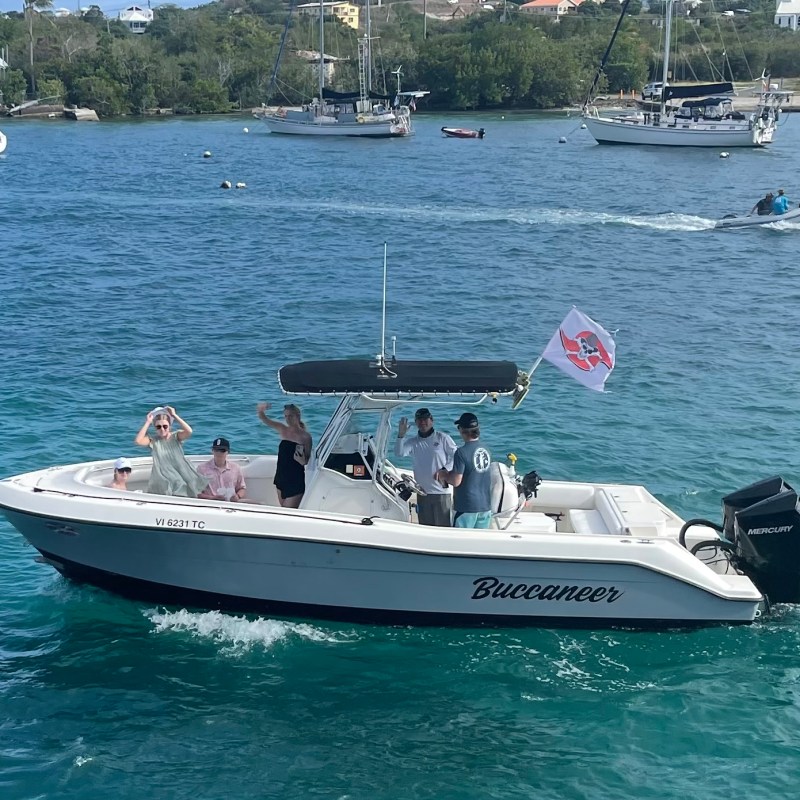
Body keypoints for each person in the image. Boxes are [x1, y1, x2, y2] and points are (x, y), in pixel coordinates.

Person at [394, 407, 458, 526]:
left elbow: (456, 456)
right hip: (422, 492)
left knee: (443, 529)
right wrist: (401, 436)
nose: (423, 422)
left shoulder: (442, 438)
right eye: (419, 420)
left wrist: (445, 469)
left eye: (425, 419)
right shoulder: (413, 442)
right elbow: (399, 453)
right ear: (416, 422)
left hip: (441, 493)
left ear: (431, 420)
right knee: (425, 527)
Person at [434, 412, 493, 529]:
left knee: (461, 541)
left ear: (462, 430)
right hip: (485, 506)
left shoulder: (461, 452)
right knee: (479, 542)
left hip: (466, 507)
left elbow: (456, 481)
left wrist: (444, 475)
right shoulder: (486, 449)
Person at [134, 405, 208, 497]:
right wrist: (148, 422)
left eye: (165, 426)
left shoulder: (176, 437)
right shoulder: (153, 440)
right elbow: (138, 441)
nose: (162, 429)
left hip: (181, 471)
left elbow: (189, 431)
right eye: (158, 427)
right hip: (163, 475)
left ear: (169, 426)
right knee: (176, 486)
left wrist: (175, 415)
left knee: (189, 487)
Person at [256, 402, 312, 508]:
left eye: (290, 416)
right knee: (284, 510)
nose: (287, 419)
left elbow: (306, 460)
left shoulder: (306, 437)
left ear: (297, 416)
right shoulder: (282, 429)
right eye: (285, 416)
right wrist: (260, 410)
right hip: (281, 478)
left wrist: (301, 460)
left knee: (288, 511)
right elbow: (265, 420)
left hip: (295, 480)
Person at [197, 437, 248, 502]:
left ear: (228, 452)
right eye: (216, 450)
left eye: (222, 450)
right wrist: (212, 498)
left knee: (260, 503)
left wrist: (237, 496)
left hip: (232, 504)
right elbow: (197, 492)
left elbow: (242, 488)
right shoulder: (202, 469)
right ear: (212, 451)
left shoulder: (236, 468)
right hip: (210, 504)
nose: (219, 453)